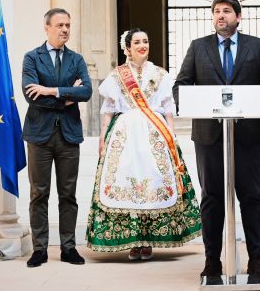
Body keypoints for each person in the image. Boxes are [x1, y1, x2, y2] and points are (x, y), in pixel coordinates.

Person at [173, 0, 260, 280]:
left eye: (226, 11)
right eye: (216, 11)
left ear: (238, 16)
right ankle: (212, 261)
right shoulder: (198, 48)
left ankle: (257, 259)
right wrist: (191, 106)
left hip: (248, 136)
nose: (220, 15)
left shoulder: (256, 47)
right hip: (209, 137)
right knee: (211, 198)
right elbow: (181, 86)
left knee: (252, 196)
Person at [86, 28, 202, 259]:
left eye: (146, 41)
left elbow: (168, 107)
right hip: (125, 134)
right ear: (127, 48)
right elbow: (108, 109)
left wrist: (172, 134)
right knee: (126, 183)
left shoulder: (160, 74)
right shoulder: (117, 75)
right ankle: (132, 240)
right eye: (137, 42)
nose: (142, 45)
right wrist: (102, 136)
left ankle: (149, 239)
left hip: (155, 134)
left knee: (155, 183)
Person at [22, 8, 93, 267]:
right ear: (47, 28)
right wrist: (66, 97)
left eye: (68, 25)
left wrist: (50, 90)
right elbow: (31, 95)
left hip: (68, 136)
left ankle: (68, 247)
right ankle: (39, 249)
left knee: (68, 194)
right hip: (39, 136)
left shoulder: (77, 59)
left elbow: (86, 92)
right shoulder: (32, 58)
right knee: (39, 193)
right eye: (60, 25)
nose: (65, 30)